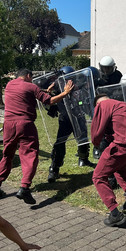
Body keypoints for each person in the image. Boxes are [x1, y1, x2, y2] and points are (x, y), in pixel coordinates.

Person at [0, 69, 74, 204]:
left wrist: (47, 90)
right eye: (31, 78)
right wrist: (65, 92)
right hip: (25, 125)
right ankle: (24, 188)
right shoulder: (31, 86)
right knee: (29, 155)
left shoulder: (10, 85)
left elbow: (27, 92)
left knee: (7, 155)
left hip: (8, 125)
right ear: (28, 76)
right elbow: (49, 101)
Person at [91, 93, 126, 227]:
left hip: (123, 145)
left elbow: (96, 133)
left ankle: (115, 214)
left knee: (98, 176)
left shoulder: (102, 105)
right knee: (118, 168)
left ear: (97, 104)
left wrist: (96, 142)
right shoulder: (123, 104)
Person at [48, 66, 95, 183]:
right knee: (59, 143)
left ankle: (83, 158)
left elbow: (86, 101)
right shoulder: (57, 90)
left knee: (83, 139)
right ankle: (54, 168)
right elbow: (50, 102)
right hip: (65, 120)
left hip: (78, 118)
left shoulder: (78, 89)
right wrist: (50, 92)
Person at [93, 56, 123, 160]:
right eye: (104, 68)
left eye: (108, 68)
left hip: (114, 104)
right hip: (101, 106)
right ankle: (97, 147)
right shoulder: (97, 76)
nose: (106, 71)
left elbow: (121, 88)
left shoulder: (118, 75)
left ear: (113, 67)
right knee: (100, 128)